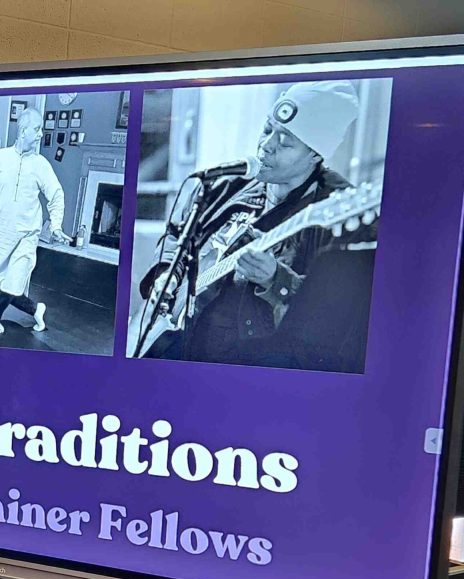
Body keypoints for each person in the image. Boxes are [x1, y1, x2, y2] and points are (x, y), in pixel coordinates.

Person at [137, 80, 363, 367]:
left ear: (315, 155)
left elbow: (339, 318)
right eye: (268, 130)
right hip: (178, 344)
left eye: (285, 142)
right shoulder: (229, 185)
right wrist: (166, 273)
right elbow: (179, 236)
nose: (266, 146)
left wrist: (276, 280)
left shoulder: (340, 210)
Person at [0, 107, 70, 335]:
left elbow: (56, 195)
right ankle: (36, 309)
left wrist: (56, 226)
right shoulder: (1, 158)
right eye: (37, 129)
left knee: (14, 282)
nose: (40, 134)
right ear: (23, 130)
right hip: (2, 233)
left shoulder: (41, 165)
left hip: (28, 236)